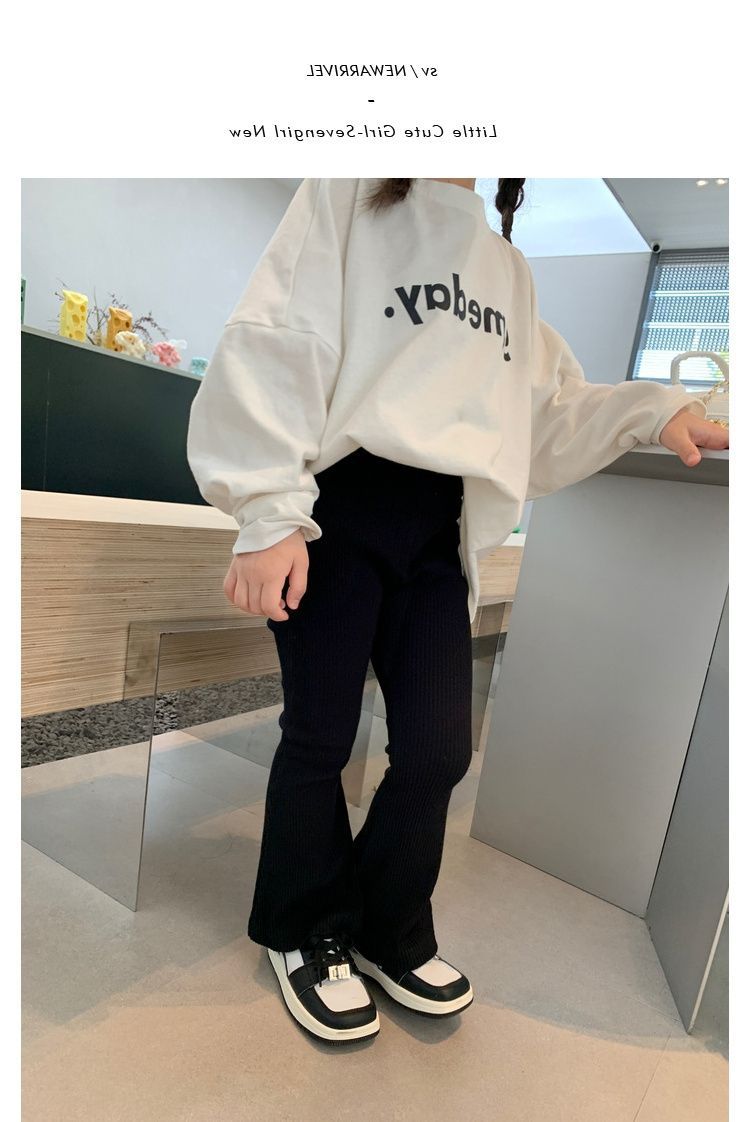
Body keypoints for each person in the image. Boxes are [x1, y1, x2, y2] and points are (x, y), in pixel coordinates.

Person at [186, 177, 728, 1045]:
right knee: (320, 735)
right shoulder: (348, 194)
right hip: (339, 510)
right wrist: (267, 507)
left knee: (440, 748)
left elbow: (542, 406)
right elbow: (281, 335)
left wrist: (653, 410)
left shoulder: (505, 267)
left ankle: (386, 925)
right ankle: (305, 928)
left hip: (440, 532)